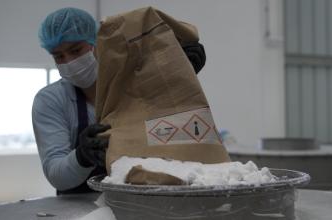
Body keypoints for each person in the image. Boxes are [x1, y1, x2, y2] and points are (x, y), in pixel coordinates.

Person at [32, 7, 206, 194]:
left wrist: (181, 71)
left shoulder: (134, 84)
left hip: (140, 198)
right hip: (81, 207)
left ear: (97, 43)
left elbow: (168, 131)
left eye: (75, 50)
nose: (69, 62)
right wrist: (82, 157)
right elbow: (56, 175)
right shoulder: (51, 100)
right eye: (59, 56)